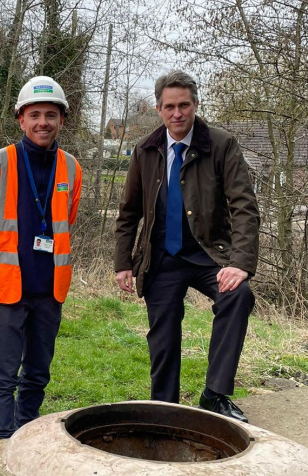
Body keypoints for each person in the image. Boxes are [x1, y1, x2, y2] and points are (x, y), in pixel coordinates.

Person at [114, 70, 259, 423]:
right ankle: (165, 408)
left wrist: (239, 262)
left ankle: (215, 395)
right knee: (163, 330)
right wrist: (123, 262)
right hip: (161, 255)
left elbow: (245, 208)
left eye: (184, 105)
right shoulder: (145, 150)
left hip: (210, 254)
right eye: (169, 107)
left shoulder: (221, 145)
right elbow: (129, 211)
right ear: (159, 109)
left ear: (195, 104)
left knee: (238, 296)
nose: (177, 113)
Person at [0, 76, 82, 440]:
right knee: (5, 373)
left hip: (49, 290)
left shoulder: (72, 168)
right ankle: (2, 440)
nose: (42, 122)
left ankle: (26, 434)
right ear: (21, 119)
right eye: (35, 114)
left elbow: (67, 220)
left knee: (38, 372)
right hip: (5, 290)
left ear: (61, 119)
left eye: (50, 114)